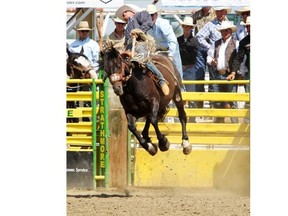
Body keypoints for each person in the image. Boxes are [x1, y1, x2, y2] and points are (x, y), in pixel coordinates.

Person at [115, 4, 169, 95]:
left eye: (125, 12)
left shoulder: (140, 15)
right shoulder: (128, 27)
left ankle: (161, 80)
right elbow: (127, 42)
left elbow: (148, 23)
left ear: (131, 12)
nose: (123, 14)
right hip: (130, 48)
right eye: (122, 14)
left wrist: (138, 31)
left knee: (143, 60)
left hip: (140, 44)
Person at [194, 7, 231, 108]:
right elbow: (199, 36)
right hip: (215, 58)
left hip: (227, 58)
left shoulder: (229, 24)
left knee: (227, 84)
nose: (219, 13)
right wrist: (210, 47)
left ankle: (226, 110)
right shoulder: (211, 25)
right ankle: (213, 107)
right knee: (213, 83)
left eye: (221, 11)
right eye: (217, 11)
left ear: (225, 12)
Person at [206, 21, 238, 123]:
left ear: (230, 31)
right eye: (222, 31)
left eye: (226, 30)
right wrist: (211, 61)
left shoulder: (236, 43)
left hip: (229, 75)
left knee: (231, 100)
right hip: (217, 74)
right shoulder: (215, 43)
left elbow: (239, 59)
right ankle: (219, 124)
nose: (224, 32)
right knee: (217, 100)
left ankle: (234, 123)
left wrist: (234, 72)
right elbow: (209, 56)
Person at [69, 21, 99, 121]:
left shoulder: (93, 44)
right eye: (82, 31)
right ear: (79, 32)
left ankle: (89, 120)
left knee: (88, 99)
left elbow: (96, 61)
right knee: (74, 98)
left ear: (88, 32)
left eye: (86, 31)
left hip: (87, 76)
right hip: (74, 78)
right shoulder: (72, 45)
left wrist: (91, 72)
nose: (84, 33)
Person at [145, 4, 184, 82]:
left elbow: (172, 40)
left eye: (151, 15)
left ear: (156, 14)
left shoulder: (162, 23)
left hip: (170, 49)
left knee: (177, 74)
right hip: (158, 51)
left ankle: (182, 90)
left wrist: (171, 55)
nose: (150, 17)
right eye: (148, 16)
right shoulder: (147, 26)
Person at [230, 16, 250, 123]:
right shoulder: (244, 42)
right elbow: (239, 58)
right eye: (247, 26)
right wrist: (233, 71)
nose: (248, 28)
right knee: (249, 96)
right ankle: (248, 122)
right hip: (249, 72)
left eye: (250, 26)